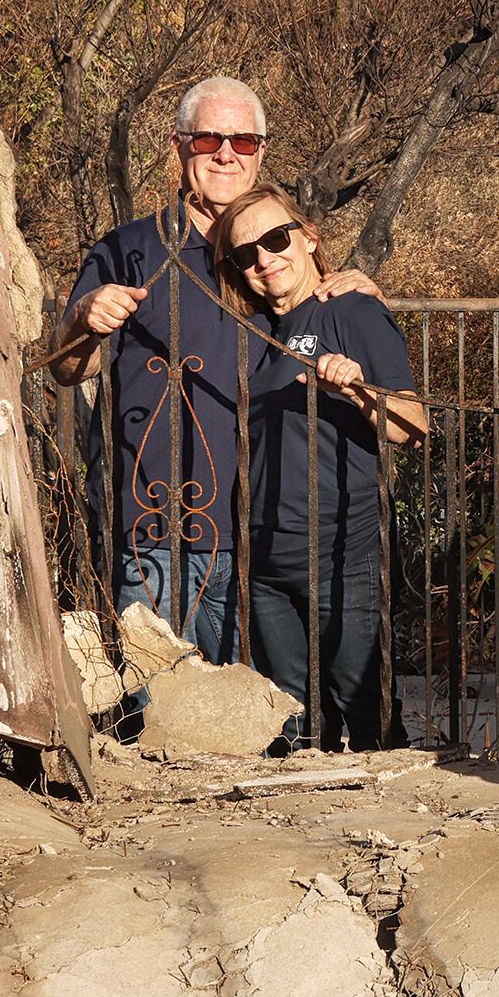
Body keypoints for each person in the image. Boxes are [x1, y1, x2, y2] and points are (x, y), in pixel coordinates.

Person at [50, 76, 378, 660]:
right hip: (153, 528)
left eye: (244, 142)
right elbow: (71, 369)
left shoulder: (271, 255)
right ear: (179, 148)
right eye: (209, 140)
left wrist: (352, 286)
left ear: (260, 154)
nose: (226, 154)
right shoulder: (130, 250)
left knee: (261, 728)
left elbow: (327, 320)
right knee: (156, 719)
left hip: (264, 540)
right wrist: (82, 318)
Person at [210, 183, 425, 751]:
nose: (264, 258)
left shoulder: (350, 311)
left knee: (367, 712)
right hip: (264, 562)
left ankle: (397, 830)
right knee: (294, 722)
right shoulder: (249, 330)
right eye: (245, 254)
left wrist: (357, 389)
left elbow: (413, 426)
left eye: (276, 239)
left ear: (309, 239)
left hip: (343, 552)